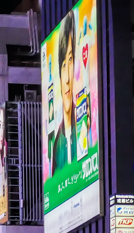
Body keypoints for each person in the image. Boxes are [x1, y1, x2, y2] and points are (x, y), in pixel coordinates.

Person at [47, 14, 78, 174]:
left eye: (71, 60)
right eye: (63, 65)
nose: (66, 78)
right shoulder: (57, 144)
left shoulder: (85, 124)